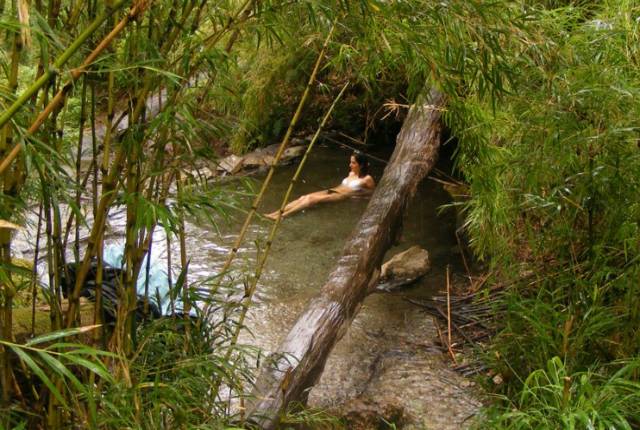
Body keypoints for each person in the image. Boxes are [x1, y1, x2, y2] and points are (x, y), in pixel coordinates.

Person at [265, 152, 375, 220]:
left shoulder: (367, 179)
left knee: (310, 199)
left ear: (361, 165)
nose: (350, 165)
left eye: (353, 163)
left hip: (341, 196)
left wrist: (357, 196)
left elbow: (372, 194)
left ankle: (283, 216)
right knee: (303, 197)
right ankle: (276, 212)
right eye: (350, 162)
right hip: (333, 190)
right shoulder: (351, 173)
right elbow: (342, 185)